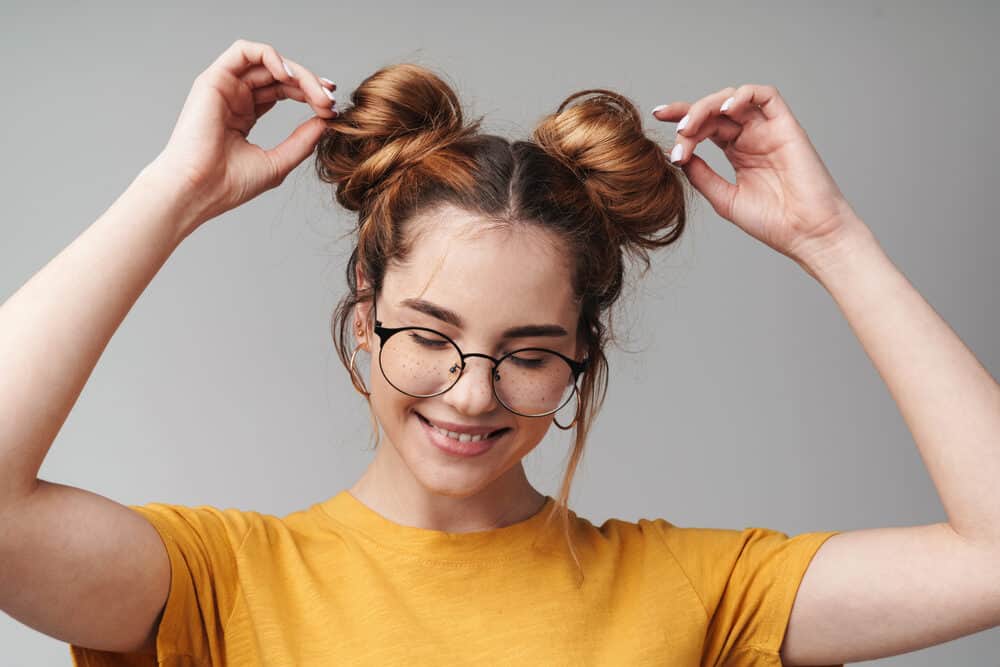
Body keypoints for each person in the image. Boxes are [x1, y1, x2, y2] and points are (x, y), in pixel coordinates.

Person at [0, 38, 997, 666]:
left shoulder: (695, 589)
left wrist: (831, 240)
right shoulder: (219, 580)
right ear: (364, 320)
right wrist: (172, 196)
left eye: (526, 351)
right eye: (429, 335)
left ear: (580, 357)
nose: (471, 392)